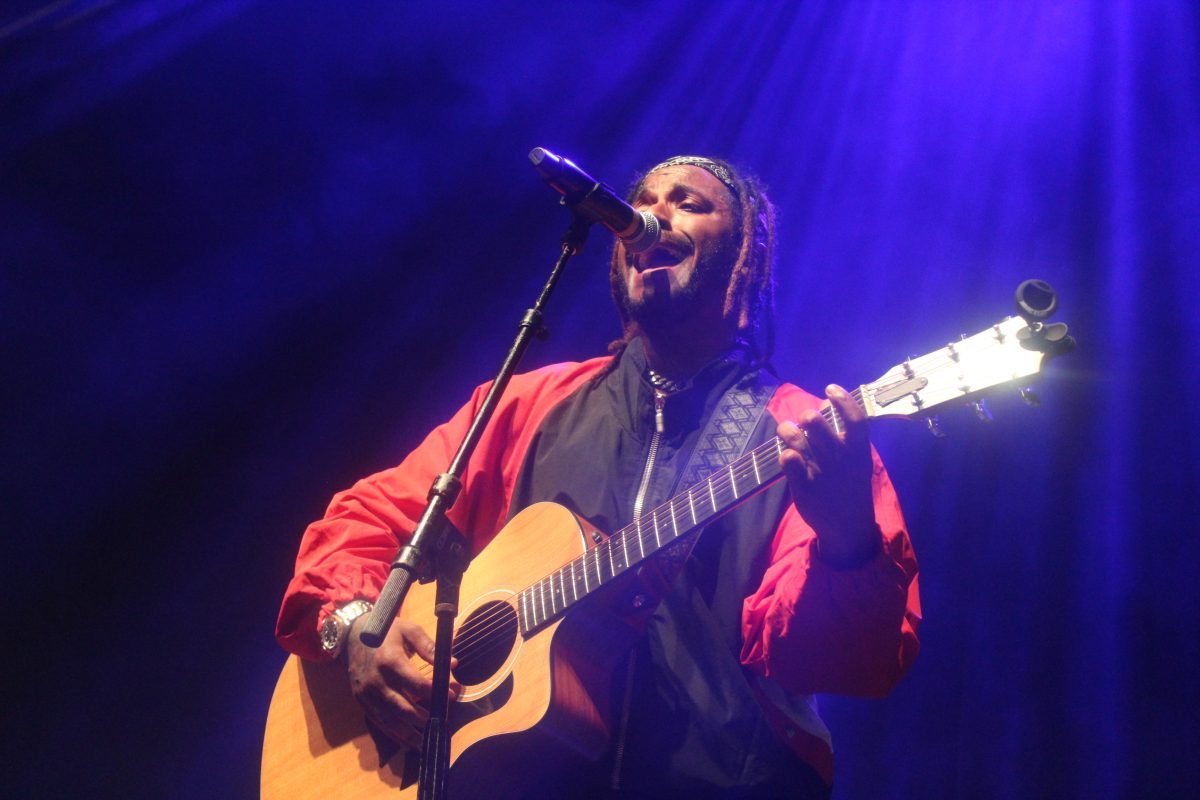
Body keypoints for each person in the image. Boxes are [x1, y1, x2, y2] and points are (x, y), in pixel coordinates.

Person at [276, 155, 921, 798]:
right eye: (642, 200)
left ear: (745, 251)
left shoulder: (804, 436)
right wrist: (359, 622)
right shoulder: (531, 403)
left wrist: (846, 542)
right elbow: (366, 519)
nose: (651, 215)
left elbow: (848, 661)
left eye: (689, 203)